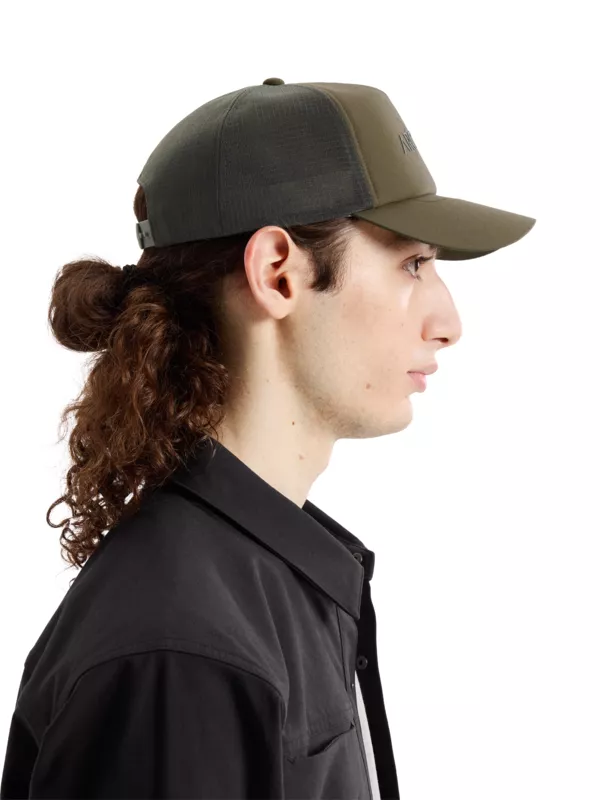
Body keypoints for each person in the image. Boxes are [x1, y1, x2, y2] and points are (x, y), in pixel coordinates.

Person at [0, 77, 536, 799]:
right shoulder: (183, 653)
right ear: (278, 273)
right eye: (413, 262)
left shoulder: (263, 582)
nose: (449, 323)